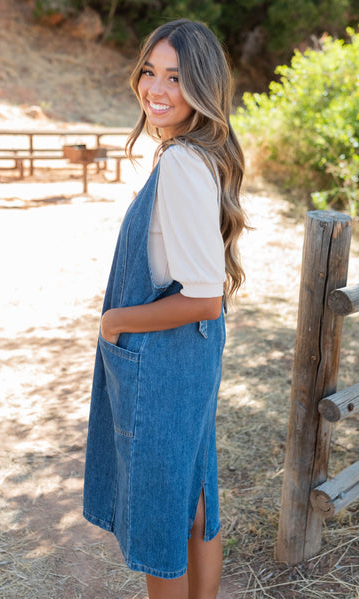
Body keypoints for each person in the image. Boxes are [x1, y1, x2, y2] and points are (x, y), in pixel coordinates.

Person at [83, 18, 248, 599]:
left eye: (175, 77)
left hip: (166, 362)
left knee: (160, 519)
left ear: (202, 86)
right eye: (150, 71)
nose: (156, 88)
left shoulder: (181, 163)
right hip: (194, 356)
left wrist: (116, 321)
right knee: (196, 498)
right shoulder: (197, 153)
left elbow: (203, 296)